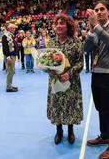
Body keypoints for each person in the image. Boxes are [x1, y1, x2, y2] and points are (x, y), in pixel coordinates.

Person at [84, 0, 109, 159]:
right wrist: (91, 31)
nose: (99, 12)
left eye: (102, 9)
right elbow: (86, 49)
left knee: (108, 110)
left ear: (107, 12)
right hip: (96, 72)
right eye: (96, 10)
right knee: (100, 108)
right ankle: (105, 135)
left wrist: (97, 26)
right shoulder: (96, 30)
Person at [47, 14, 83, 145]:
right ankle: (59, 131)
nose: (58, 26)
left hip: (71, 81)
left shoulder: (76, 42)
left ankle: (70, 131)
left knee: (70, 105)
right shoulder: (51, 42)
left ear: (68, 26)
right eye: (57, 23)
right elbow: (46, 61)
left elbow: (80, 63)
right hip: (55, 81)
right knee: (57, 105)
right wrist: (49, 69)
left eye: (62, 23)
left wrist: (69, 73)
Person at [2, 24, 19, 92]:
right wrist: (8, 57)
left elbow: (11, 45)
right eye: (13, 28)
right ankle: (8, 87)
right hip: (9, 56)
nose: (14, 29)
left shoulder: (10, 35)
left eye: (14, 28)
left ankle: (10, 85)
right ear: (9, 29)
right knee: (10, 71)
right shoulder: (5, 36)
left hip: (13, 55)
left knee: (12, 71)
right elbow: (5, 47)